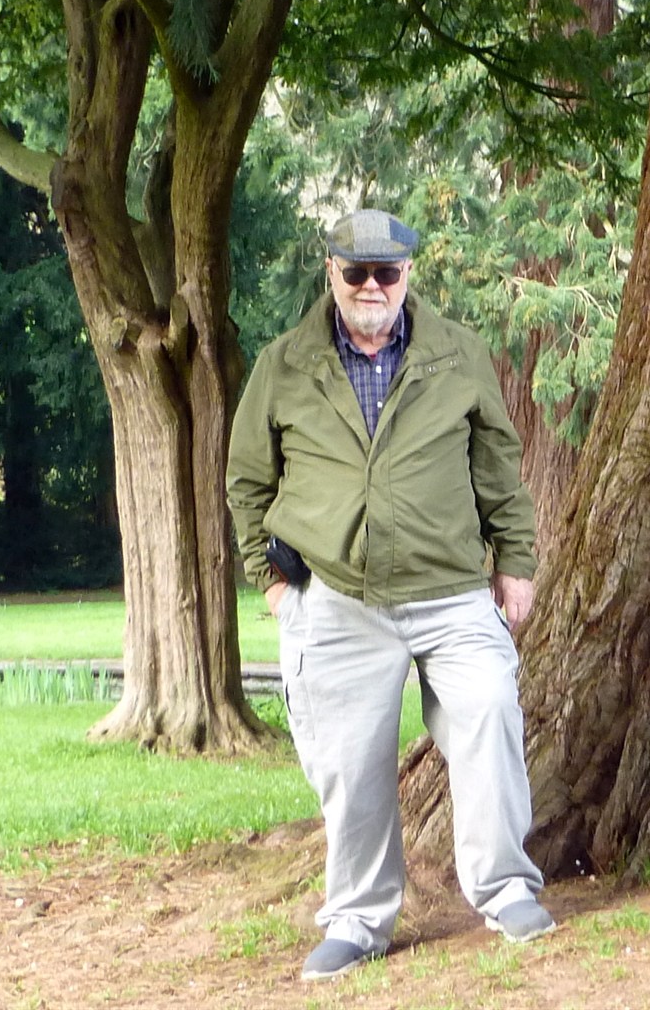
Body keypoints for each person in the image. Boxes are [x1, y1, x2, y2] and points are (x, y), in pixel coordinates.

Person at [226, 208, 555, 981]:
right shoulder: (284, 362)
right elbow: (247, 480)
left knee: (488, 713)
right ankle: (359, 919)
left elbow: (498, 468)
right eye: (356, 272)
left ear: (408, 274)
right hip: (336, 597)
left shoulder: (457, 353)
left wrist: (516, 562)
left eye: (387, 272)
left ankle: (505, 888)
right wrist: (270, 583)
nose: (371, 286)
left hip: (450, 592)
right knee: (351, 764)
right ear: (331, 270)